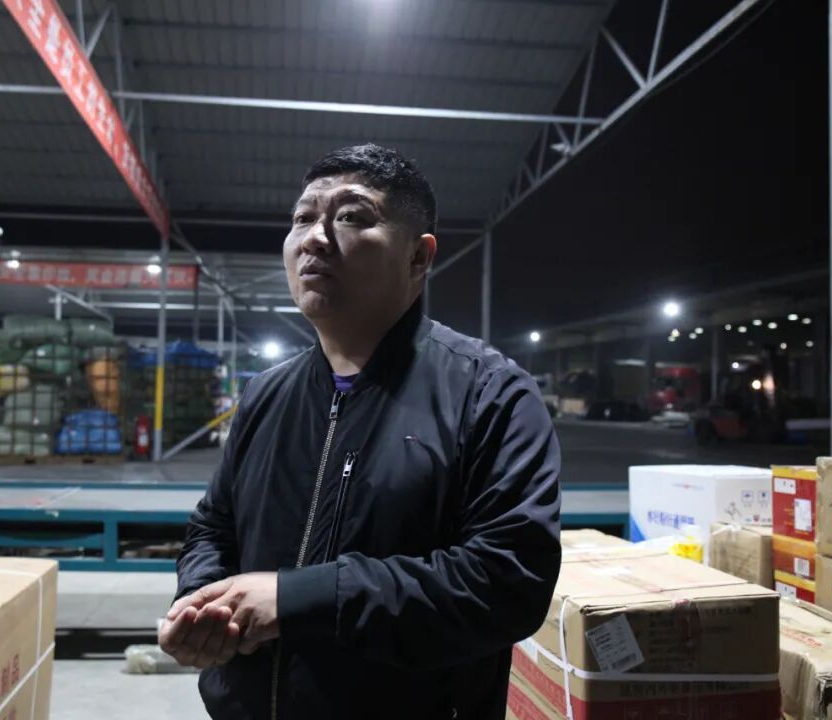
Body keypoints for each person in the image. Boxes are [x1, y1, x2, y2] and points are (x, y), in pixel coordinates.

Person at [159, 144, 561, 720]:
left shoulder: (489, 393)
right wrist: (203, 604)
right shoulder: (267, 394)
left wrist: (299, 598)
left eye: (350, 216)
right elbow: (213, 526)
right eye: (302, 218)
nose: (314, 238)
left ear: (419, 257)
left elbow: (508, 582)